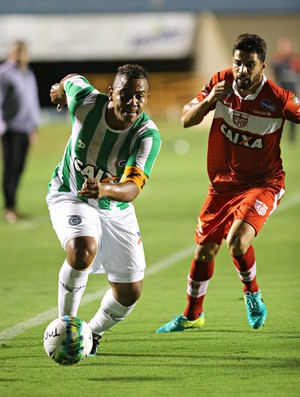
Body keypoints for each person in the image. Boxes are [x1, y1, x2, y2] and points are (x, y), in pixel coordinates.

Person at [156, 33, 300, 333]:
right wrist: (209, 101)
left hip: (263, 183)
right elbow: (186, 119)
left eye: (250, 65)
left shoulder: (277, 99)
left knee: (237, 241)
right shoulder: (220, 83)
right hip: (222, 187)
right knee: (204, 252)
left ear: (263, 66)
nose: (242, 71)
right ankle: (193, 316)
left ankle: (253, 294)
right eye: (238, 63)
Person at [47, 64, 161, 355]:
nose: (132, 102)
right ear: (111, 93)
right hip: (70, 194)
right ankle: (67, 327)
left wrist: (105, 188)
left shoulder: (147, 135)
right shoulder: (86, 103)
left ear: (146, 98)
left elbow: (133, 188)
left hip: (115, 206)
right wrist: (60, 91)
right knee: (83, 249)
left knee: (129, 293)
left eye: (140, 96)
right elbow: (72, 79)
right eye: (125, 94)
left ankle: (91, 333)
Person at [0, 40, 41, 223]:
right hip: (11, 128)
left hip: (26, 128)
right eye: (17, 51)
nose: (20, 55)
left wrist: (34, 126)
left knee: (19, 168)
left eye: (23, 52)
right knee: (11, 167)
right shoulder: (5, 73)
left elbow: (32, 103)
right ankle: (9, 207)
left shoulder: (29, 74)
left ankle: (13, 206)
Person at [272, 37, 300, 142]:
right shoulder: (277, 61)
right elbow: (274, 75)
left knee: (293, 112)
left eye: (287, 46)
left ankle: (292, 137)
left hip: (293, 91)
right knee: (278, 112)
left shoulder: (295, 61)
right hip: (281, 91)